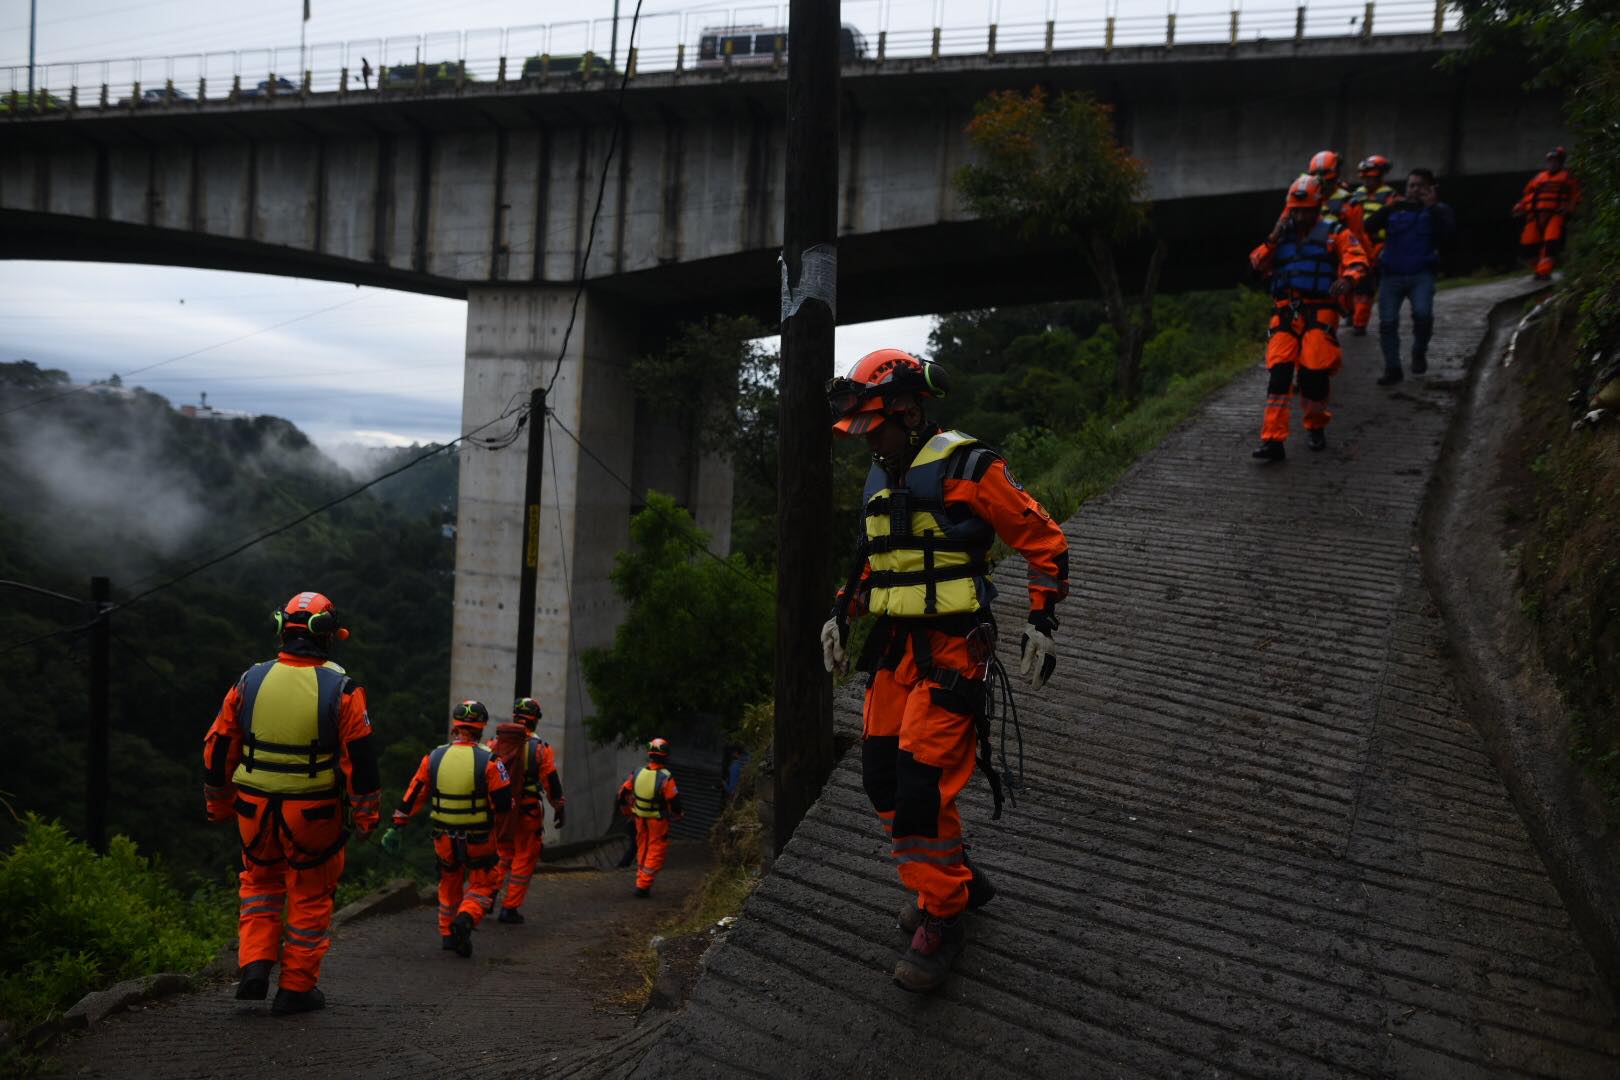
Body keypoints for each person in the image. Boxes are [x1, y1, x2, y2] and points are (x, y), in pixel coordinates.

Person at [821, 348, 1070, 994]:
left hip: (956, 649)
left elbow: (1043, 540)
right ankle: (954, 878)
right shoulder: (881, 476)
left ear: (907, 410)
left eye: (874, 429)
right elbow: (872, 559)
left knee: (919, 788)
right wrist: (840, 617)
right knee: (881, 780)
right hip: (896, 651)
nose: (867, 442)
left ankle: (942, 914)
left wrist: (1041, 620)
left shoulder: (970, 468)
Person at [202, 591, 380, 1015]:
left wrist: (219, 804)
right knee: (310, 895)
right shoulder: (344, 689)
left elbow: (217, 748)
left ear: (283, 628)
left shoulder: (250, 680)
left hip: (252, 809)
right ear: (327, 635)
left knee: (260, 886)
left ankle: (255, 967)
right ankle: (296, 989)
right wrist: (367, 815)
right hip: (314, 815)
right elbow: (361, 762)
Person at [1249, 175, 1368, 460]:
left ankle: (1315, 425)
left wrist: (1349, 279)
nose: (1300, 216)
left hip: (1320, 310)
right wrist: (1274, 237)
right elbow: (1256, 263)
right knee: (1279, 376)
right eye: (1295, 211)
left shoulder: (1334, 233)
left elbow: (1357, 259)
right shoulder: (1279, 238)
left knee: (1314, 373)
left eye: (1305, 210)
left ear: (1317, 208)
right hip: (1286, 312)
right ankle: (1273, 441)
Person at [382, 701, 512, 957]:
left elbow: (413, 795)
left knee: (449, 883)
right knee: (483, 884)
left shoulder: (434, 757)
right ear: (482, 727)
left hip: (443, 838)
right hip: (479, 839)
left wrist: (397, 825)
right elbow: (504, 804)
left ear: (456, 726)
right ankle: (466, 918)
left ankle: (447, 935)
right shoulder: (490, 761)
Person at [1364, 167, 1456, 385]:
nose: (1414, 190)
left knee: (1423, 315)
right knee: (1387, 323)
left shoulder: (1439, 210)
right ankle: (1393, 368)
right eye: (1410, 185)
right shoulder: (1395, 209)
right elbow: (1368, 227)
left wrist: (1431, 207)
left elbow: (1449, 235)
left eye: (1419, 186)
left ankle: (1418, 353)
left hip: (1421, 274)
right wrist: (1388, 209)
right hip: (1391, 275)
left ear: (1430, 188)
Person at [487, 697, 566, 925]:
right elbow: (552, 784)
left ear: (514, 717)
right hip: (528, 812)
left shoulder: (495, 744)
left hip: (501, 811)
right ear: (536, 721)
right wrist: (559, 808)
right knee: (523, 858)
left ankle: (487, 897)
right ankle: (509, 908)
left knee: (502, 853)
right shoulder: (541, 749)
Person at [616, 739, 683, 897]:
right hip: (657, 820)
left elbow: (622, 793)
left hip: (639, 817)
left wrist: (626, 810)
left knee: (642, 848)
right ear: (665, 756)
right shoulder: (665, 777)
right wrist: (678, 814)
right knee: (655, 849)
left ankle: (641, 880)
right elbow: (674, 801)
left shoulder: (638, 772)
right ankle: (643, 885)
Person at [1514, 147, 1580, 280]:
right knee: (1528, 246)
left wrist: (1569, 209)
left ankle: (1544, 272)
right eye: (1550, 161)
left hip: (1555, 215)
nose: (1552, 163)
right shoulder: (1538, 177)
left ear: (1560, 162)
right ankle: (1538, 270)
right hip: (1534, 216)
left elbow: (1576, 196)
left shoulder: (1567, 178)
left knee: (1551, 244)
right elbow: (1528, 194)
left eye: (1555, 161)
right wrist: (1520, 206)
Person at [1349, 155, 1398, 336]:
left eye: (1372, 176)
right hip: (1356, 245)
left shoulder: (1390, 196)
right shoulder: (1356, 194)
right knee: (1352, 282)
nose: (1368, 180)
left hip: (1378, 246)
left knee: (1366, 286)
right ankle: (1352, 315)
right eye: (1365, 176)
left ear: (1380, 176)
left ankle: (1359, 323)